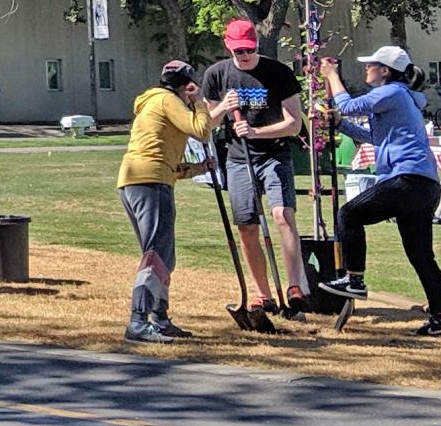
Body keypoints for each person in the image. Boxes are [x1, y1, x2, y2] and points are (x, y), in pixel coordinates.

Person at [318, 46, 441, 336]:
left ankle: (354, 280)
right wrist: (341, 126)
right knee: (421, 255)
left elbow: (349, 106)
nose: (366, 68)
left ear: (385, 70)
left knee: (349, 215)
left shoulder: (392, 92)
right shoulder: (402, 98)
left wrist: (331, 75)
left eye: (371, 65)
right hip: (424, 185)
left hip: (405, 180)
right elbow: (375, 137)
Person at [118, 61, 240, 342]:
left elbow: (161, 154)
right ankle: (138, 321)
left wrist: (197, 169)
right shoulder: (167, 100)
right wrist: (198, 101)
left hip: (136, 179)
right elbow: (201, 129)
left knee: (159, 253)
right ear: (185, 85)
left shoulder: (151, 102)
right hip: (151, 183)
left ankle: (159, 318)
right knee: (157, 254)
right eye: (189, 88)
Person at [199, 18, 309, 318]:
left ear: (256, 44)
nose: (243, 55)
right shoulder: (217, 75)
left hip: (274, 155)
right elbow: (207, 124)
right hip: (237, 159)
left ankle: (294, 286)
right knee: (247, 226)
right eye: (238, 51)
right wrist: (223, 106)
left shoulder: (278, 73)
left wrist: (256, 132)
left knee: (282, 215)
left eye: (248, 49)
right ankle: (262, 294)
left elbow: (293, 124)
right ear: (228, 46)